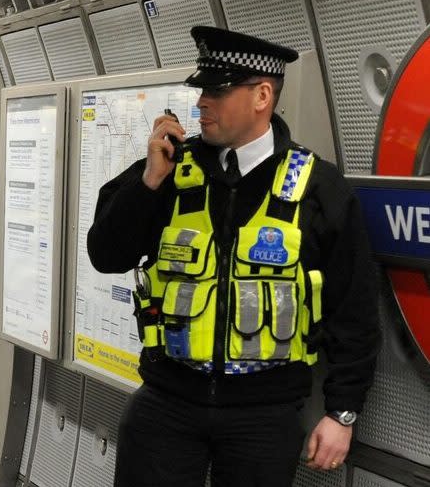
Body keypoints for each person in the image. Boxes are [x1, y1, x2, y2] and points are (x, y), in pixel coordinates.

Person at [87, 26, 381, 487]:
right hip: (167, 404)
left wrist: (342, 412)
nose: (202, 101)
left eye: (218, 90)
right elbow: (105, 254)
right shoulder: (166, 170)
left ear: (262, 95)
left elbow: (355, 310)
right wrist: (146, 183)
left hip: (263, 416)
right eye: (203, 89)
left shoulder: (319, 188)